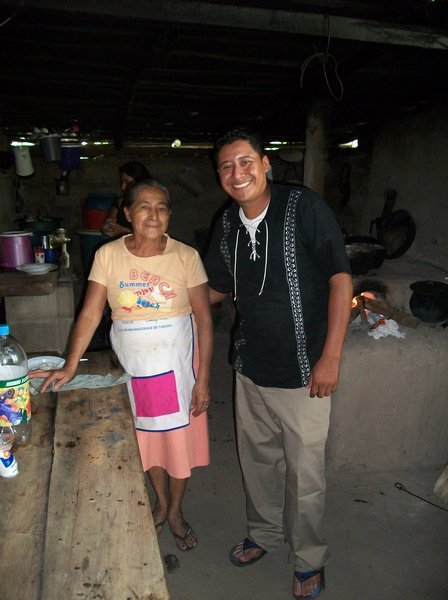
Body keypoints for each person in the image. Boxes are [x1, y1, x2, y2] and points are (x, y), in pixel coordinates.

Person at [204, 128, 353, 599]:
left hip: (305, 373)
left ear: (265, 164)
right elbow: (214, 290)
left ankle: (309, 557)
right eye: (227, 166)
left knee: (305, 475)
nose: (237, 173)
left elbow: (340, 279)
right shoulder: (227, 224)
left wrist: (330, 357)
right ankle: (264, 534)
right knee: (258, 463)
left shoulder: (303, 207)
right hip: (249, 367)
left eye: (245, 161)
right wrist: (155, 294)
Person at [35, 177, 213, 551]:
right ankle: (161, 504)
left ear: (169, 216)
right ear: (128, 213)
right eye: (144, 206)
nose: (154, 214)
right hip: (138, 369)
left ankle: (175, 510)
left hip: (178, 369)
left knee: (177, 444)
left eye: (162, 207)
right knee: (148, 442)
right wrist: (69, 365)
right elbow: (91, 311)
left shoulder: (186, 256)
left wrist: (205, 379)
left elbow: (204, 319)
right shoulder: (109, 255)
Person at [101, 161, 150, 237]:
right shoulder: (120, 202)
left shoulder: (151, 204)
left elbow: (150, 234)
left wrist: (123, 230)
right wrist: (107, 226)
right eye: (122, 182)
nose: (123, 187)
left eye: (127, 182)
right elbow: (109, 221)